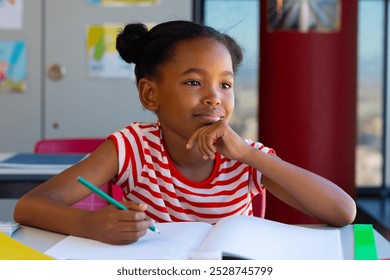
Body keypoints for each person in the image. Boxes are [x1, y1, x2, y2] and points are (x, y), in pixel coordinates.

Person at [14, 20, 356, 245]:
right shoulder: (132, 147)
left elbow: (342, 212)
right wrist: (90, 225)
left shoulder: (243, 155)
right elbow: (31, 206)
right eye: (194, 82)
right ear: (151, 94)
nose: (214, 97)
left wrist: (251, 156)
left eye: (225, 84)